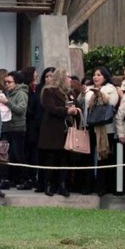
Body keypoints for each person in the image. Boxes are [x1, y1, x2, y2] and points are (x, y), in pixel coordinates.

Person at [39, 67, 81, 197]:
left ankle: (63, 185)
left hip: (66, 131)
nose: (70, 80)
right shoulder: (48, 91)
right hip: (52, 130)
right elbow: (51, 108)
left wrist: (76, 110)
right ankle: (49, 185)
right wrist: (66, 111)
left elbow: (77, 105)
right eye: (67, 77)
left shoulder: (71, 94)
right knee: (51, 158)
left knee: (65, 159)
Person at [83, 67, 119, 196]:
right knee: (89, 157)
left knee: (104, 158)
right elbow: (85, 105)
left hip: (105, 129)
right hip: (90, 127)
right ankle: (88, 185)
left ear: (105, 77)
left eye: (99, 75)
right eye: (94, 74)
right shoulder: (88, 89)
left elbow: (112, 103)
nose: (95, 77)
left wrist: (99, 94)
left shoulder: (110, 89)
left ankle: (102, 187)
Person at [0, 70, 30, 190]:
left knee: (18, 154)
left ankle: (26, 179)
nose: (7, 84)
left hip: (17, 128)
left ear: (16, 83)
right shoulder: (8, 93)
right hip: (7, 127)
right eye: (5, 82)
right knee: (7, 154)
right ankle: (7, 179)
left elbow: (21, 110)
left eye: (9, 82)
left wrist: (7, 102)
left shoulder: (21, 93)